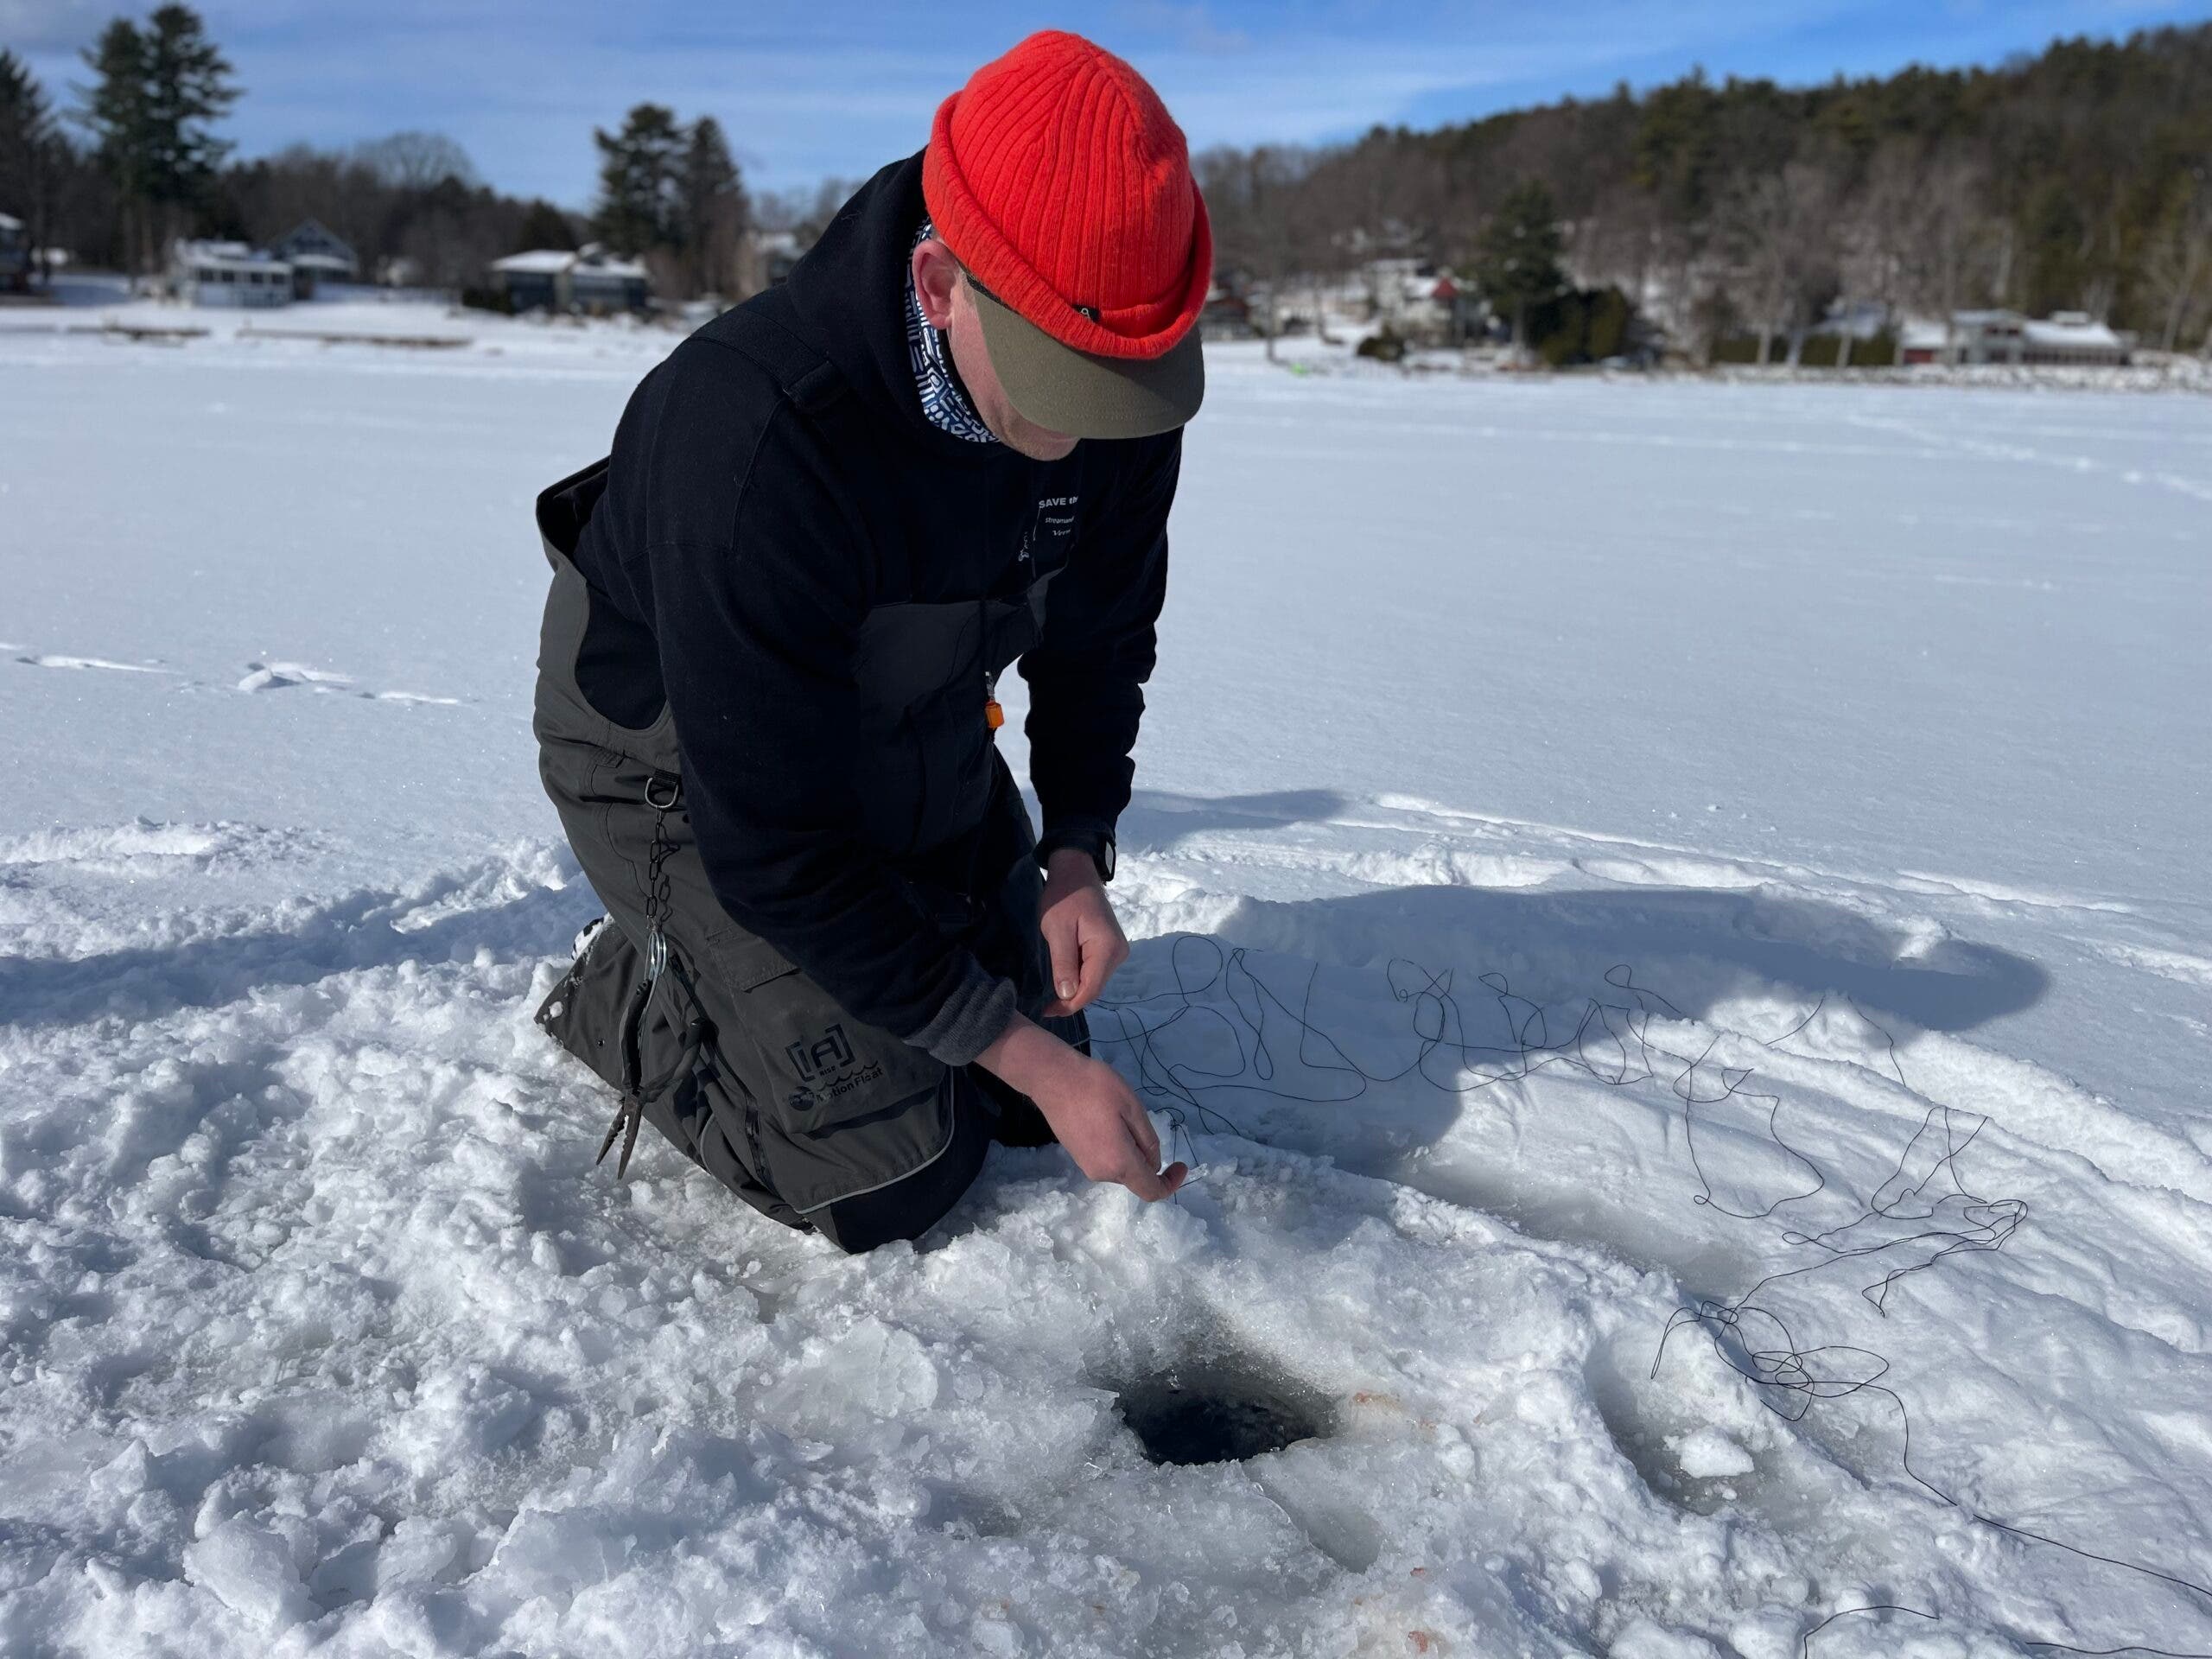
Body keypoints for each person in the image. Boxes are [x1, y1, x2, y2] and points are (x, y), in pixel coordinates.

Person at [529, 30, 1210, 1251]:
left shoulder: (1118, 389)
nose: (1090, 430)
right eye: (1058, 382)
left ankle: (850, 964)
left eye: (1118, 389)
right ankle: (642, 980)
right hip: (679, 761)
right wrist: (1016, 1054)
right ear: (941, 283)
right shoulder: (751, 429)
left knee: (1014, 1085)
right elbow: (775, 840)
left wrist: (1075, 851)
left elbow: (1101, 633)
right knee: (894, 1172)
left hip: (912, 710)